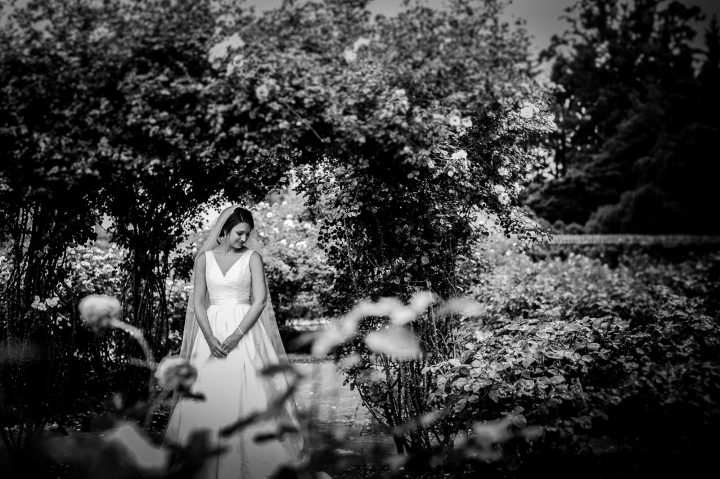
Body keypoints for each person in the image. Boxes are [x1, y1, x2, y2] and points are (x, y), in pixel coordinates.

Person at [163, 205, 305, 479]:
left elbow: (260, 300)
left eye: (248, 234)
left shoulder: (253, 258)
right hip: (210, 331)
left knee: (251, 390)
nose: (244, 239)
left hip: (246, 329)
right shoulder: (204, 259)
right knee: (207, 393)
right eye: (240, 233)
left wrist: (236, 335)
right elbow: (198, 304)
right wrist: (209, 337)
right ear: (225, 230)